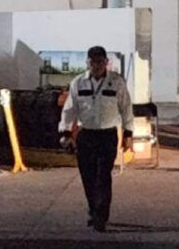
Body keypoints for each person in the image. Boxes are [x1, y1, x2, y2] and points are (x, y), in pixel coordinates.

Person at [57, 46, 133, 233]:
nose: (97, 66)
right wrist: (66, 133)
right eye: (93, 62)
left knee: (103, 177)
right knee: (88, 177)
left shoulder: (116, 82)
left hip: (107, 135)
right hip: (86, 135)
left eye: (100, 62)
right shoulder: (78, 83)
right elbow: (70, 109)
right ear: (88, 63)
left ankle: (101, 216)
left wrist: (128, 133)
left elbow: (126, 108)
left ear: (106, 62)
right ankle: (93, 209)